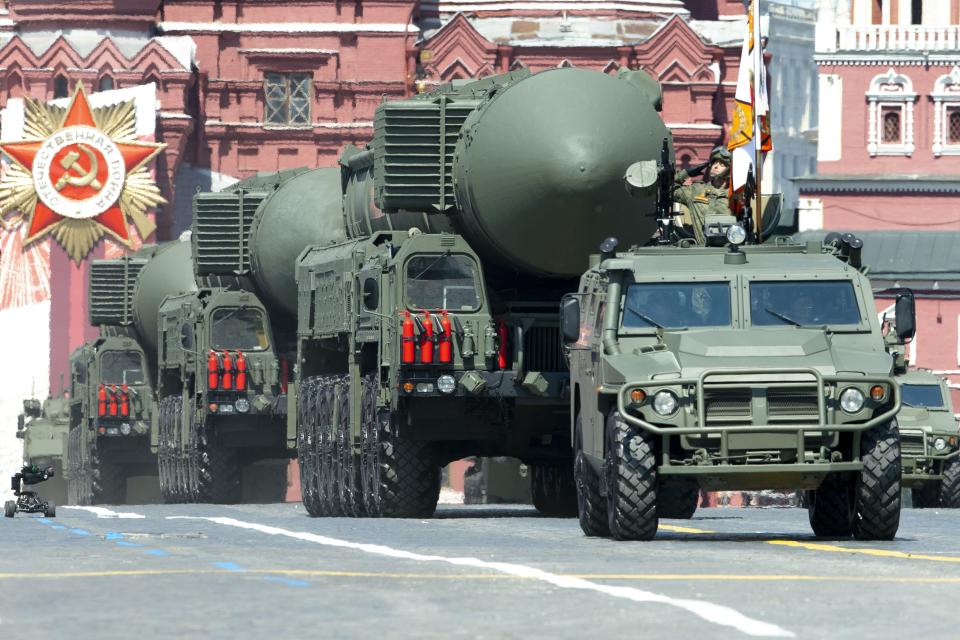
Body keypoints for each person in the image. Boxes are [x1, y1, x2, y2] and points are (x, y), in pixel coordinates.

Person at [673, 146, 733, 245]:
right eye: (714, 163)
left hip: (732, 250)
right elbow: (668, 189)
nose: (715, 166)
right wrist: (687, 173)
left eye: (722, 164)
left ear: (729, 170)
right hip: (704, 251)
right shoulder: (696, 190)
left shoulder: (735, 194)